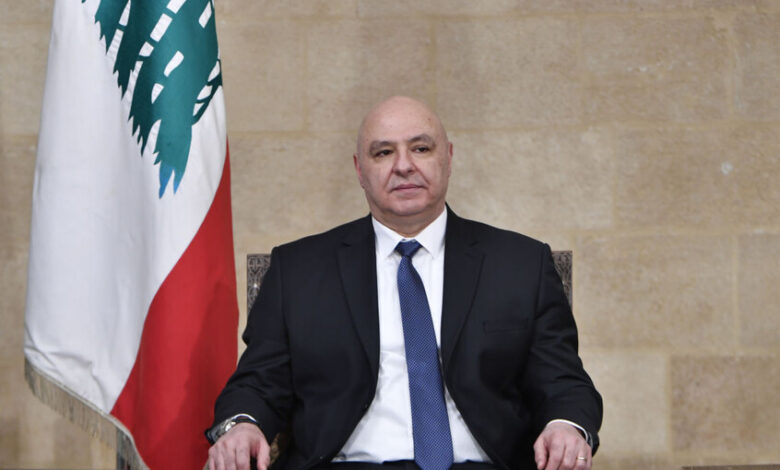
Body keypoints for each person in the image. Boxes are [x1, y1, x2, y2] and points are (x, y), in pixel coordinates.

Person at [206, 96, 602, 470]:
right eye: (383, 152)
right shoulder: (298, 269)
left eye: (421, 148)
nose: (403, 166)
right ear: (359, 169)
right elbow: (258, 383)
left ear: (448, 158)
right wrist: (242, 425)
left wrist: (565, 426)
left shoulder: (520, 264)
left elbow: (563, 383)